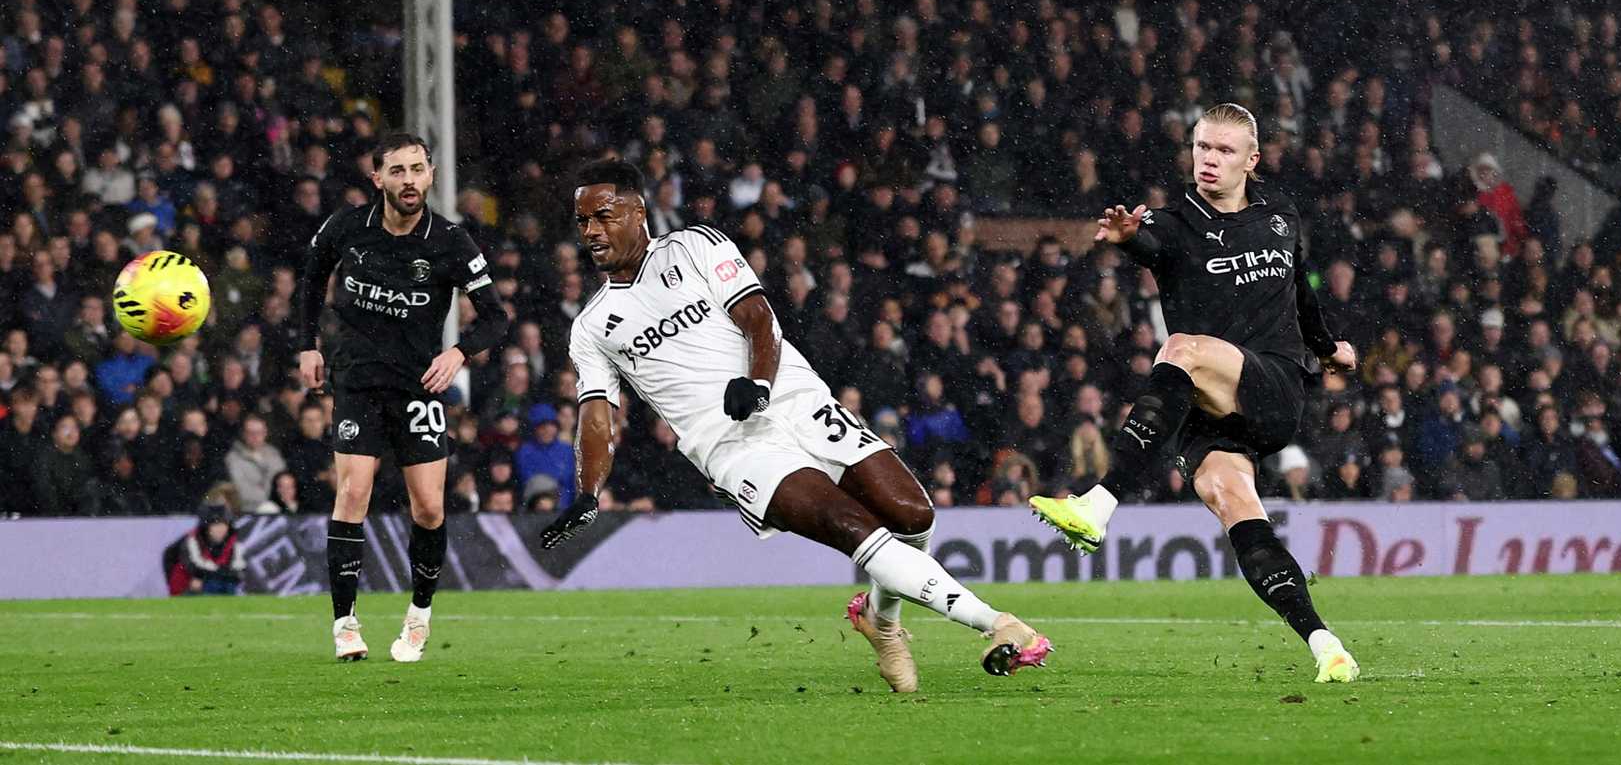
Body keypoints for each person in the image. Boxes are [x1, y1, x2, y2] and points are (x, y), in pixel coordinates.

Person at [540, 160, 1050, 693]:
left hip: (794, 398)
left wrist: (758, 382)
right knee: (852, 526)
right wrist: (588, 490)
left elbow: (758, 317)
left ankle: (879, 620)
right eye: (582, 222)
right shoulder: (593, 326)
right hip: (733, 447)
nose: (591, 231)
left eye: (602, 215)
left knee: (913, 516)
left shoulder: (694, 246)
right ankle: (998, 624)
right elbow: (597, 414)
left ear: (638, 211)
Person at [1029, 103, 1361, 684]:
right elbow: (1146, 241)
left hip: (1273, 384)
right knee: (1231, 500)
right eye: (1202, 148)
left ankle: (1098, 504)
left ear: (1251, 161)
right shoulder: (1172, 222)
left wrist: (1329, 348)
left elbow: (1301, 296)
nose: (1209, 160)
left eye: (1224, 151)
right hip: (1209, 411)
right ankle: (1325, 645)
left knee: (1180, 346)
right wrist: (1128, 239)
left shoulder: (1280, 214)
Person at [298, 132, 508, 662]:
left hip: (418, 386)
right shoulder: (348, 227)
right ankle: (345, 623)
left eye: (417, 169)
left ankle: (419, 614)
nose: (409, 180)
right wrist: (307, 345)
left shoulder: (452, 242)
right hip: (358, 382)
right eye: (397, 171)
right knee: (352, 495)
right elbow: (310, 279)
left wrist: (456, 354)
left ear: (431, 175)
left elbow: (497, 318)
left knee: (431, 507)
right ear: (378, 179)